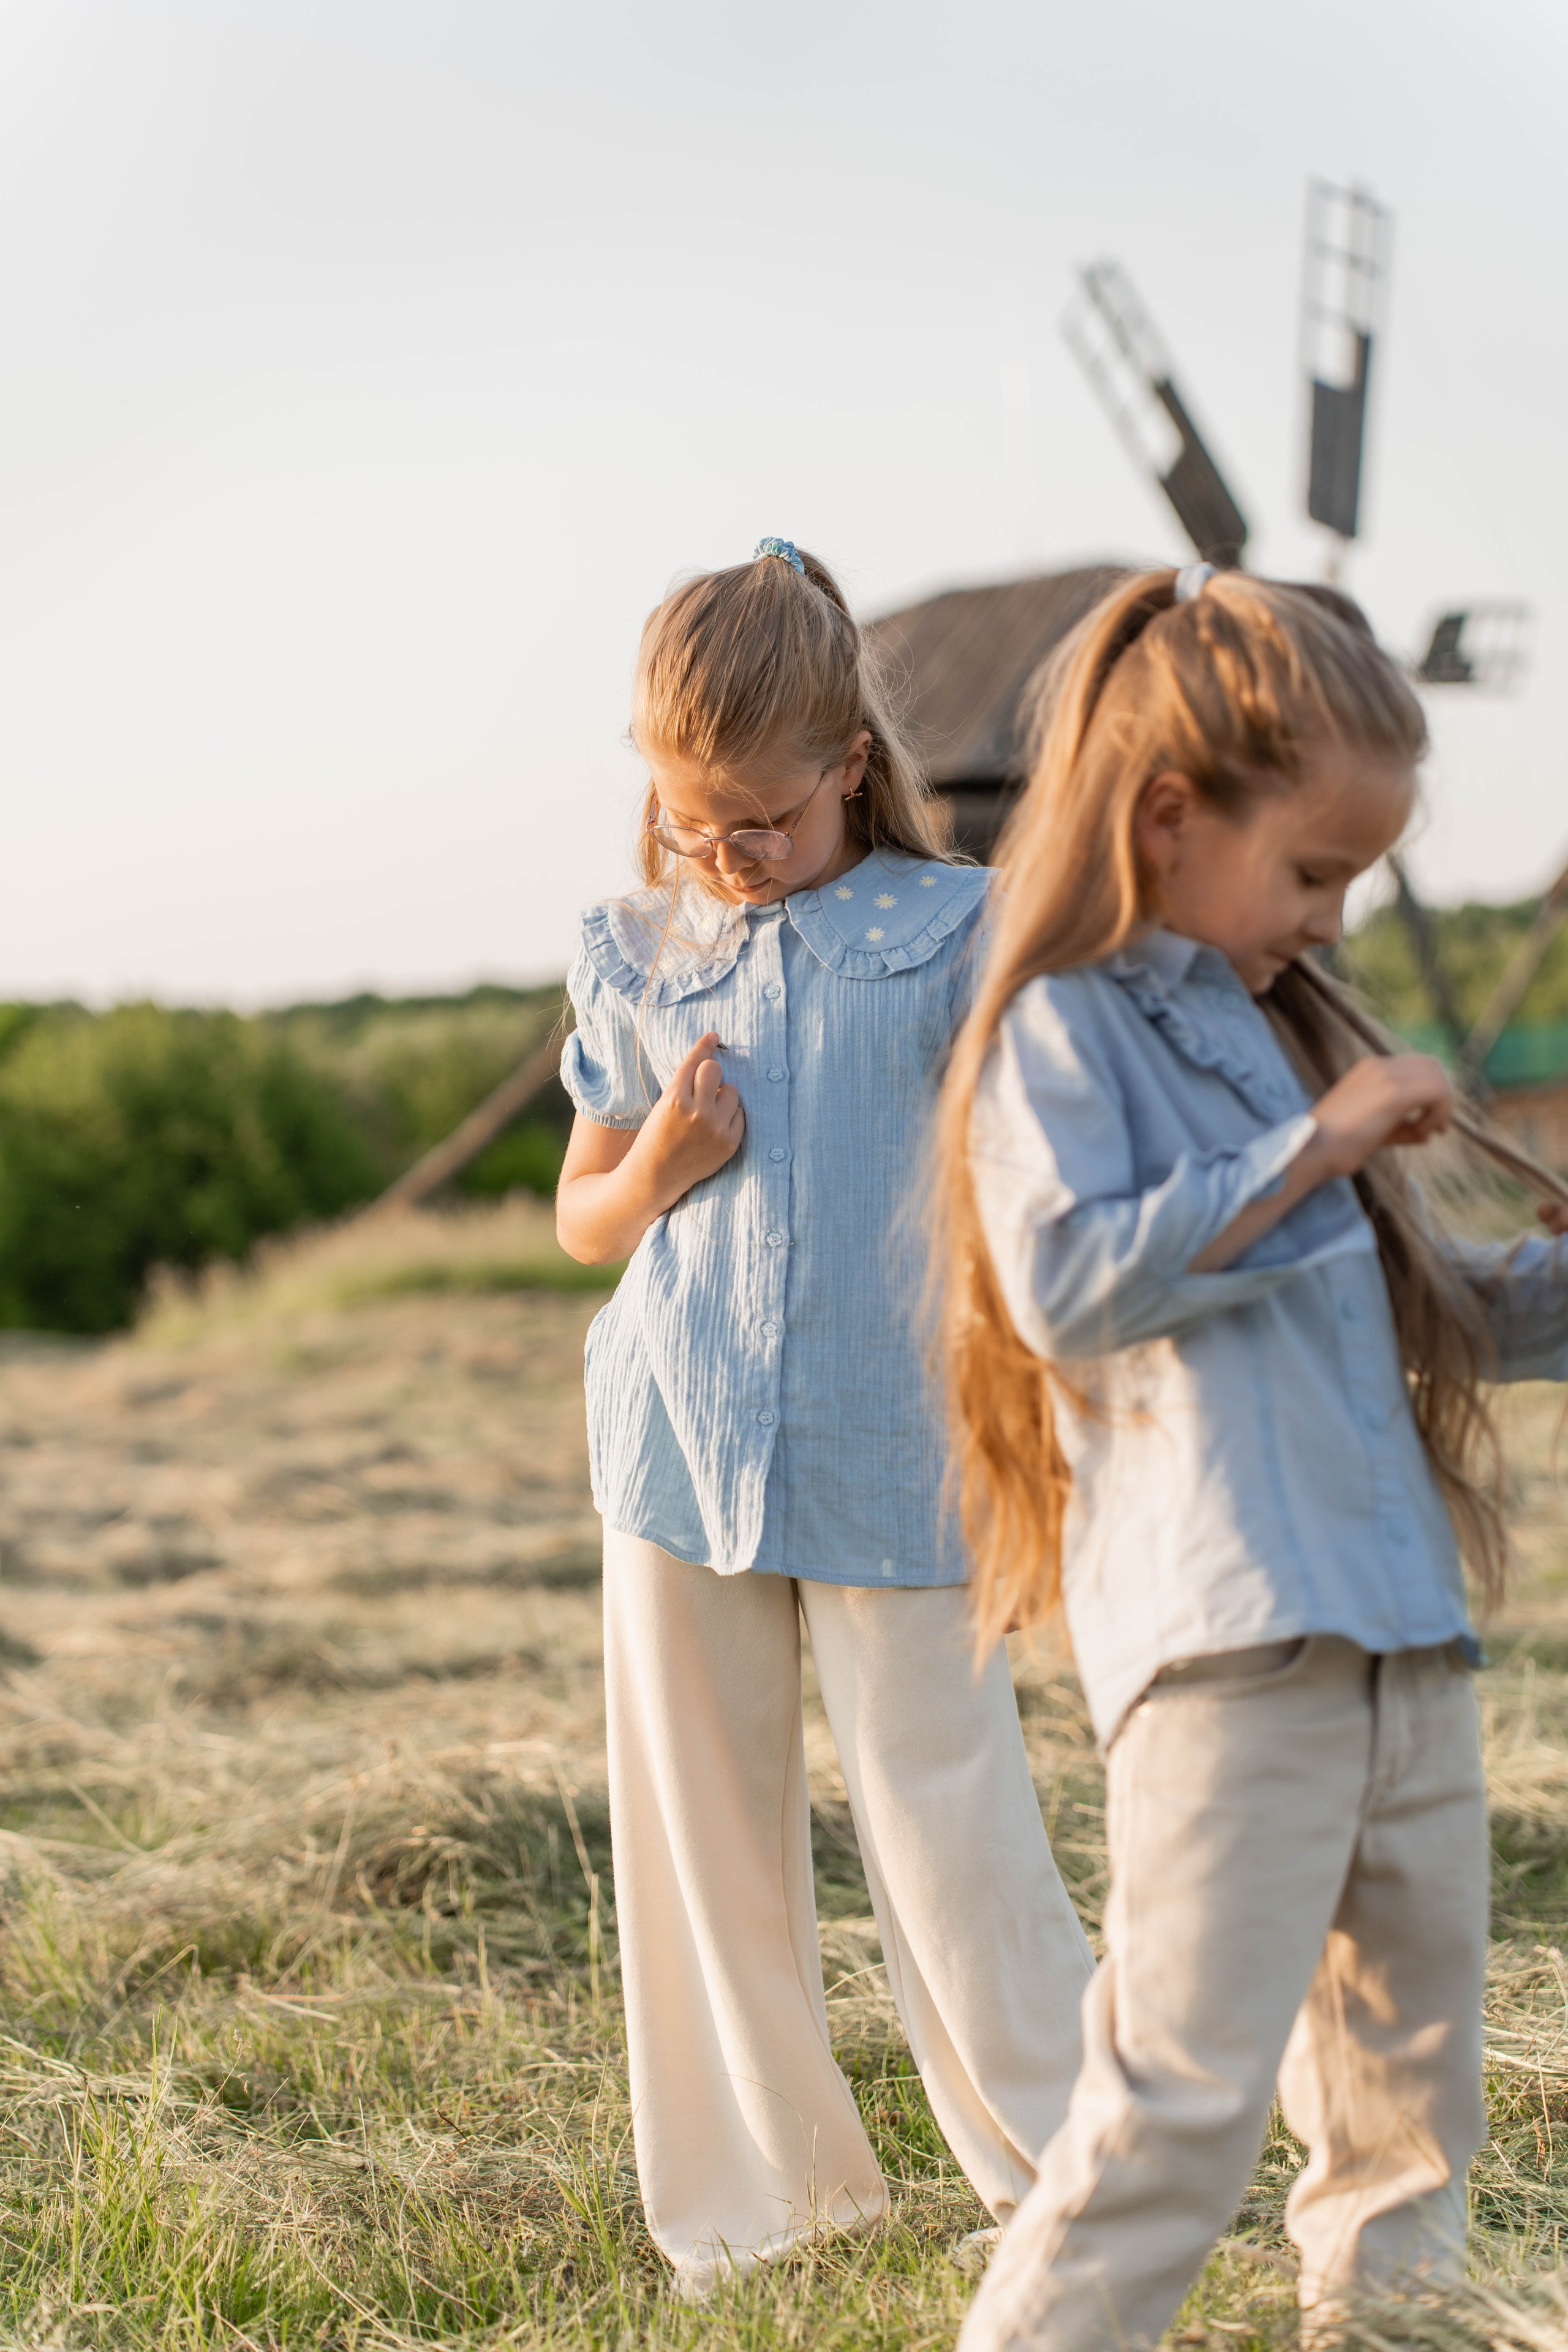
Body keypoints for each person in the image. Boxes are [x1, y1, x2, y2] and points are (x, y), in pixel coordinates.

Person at [933, 564, 1568, 2351]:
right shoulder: (1059, 1026)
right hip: (1231, 1658)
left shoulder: (1290, 1032)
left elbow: (1416, 1305)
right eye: (1311, 874)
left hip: (1395, 1637)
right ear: (1163, 814)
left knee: (1403, 2130)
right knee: (1175, 2117)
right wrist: (1316, 1147)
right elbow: (1065, 1281)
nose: (1332, 916)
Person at [553, 538, 1094, 2297]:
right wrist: (658, 1162)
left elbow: (1026, 1183)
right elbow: (582, 1217)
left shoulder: (960, 932)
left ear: (850, 761)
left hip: (898, 1449)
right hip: (673, 1439)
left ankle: (1072, 2174)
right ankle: (761, 2209)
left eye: (760, 822)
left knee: (951, 1823)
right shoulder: (636, 947)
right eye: (690, 818)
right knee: (703, 1839)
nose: (723, 854)